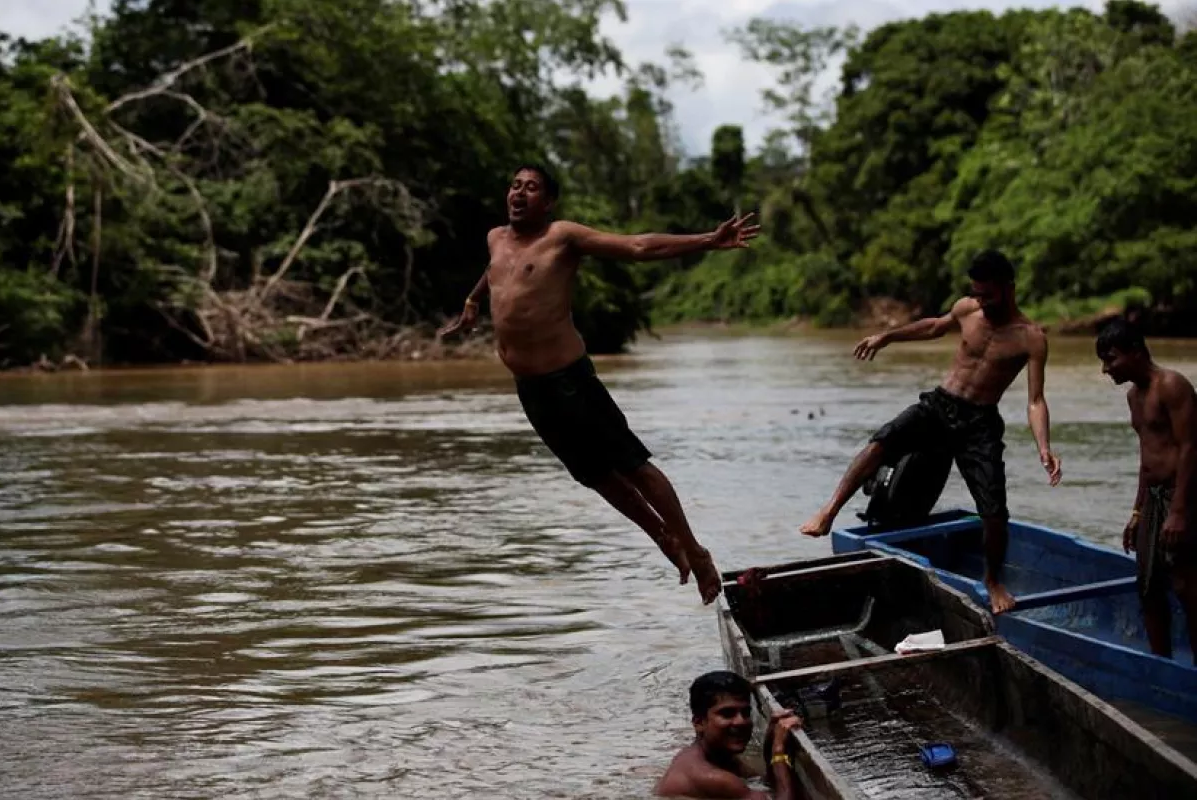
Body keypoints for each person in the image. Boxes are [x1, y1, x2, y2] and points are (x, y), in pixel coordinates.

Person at [438, 164, 760, 605]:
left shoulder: (563, 237)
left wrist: (707, 239)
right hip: (530, 388)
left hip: (571, 381)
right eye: (514, 185)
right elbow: (495, 268)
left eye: (531, 188)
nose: (519, 193)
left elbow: (639, 246)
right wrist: (474, 300)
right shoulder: (495, 238)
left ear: (548, 202)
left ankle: (696, 550)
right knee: (593, 476)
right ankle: (664, 539)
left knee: (633, 466)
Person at [797, 249, 1062, 614]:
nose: (981, 300)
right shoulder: (968, 309)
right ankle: (827, 513)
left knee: (995, 511)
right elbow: (934, 327)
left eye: (988, 294)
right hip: (941, 405)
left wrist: (1043, 447)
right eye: (977, 292)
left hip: (980, 423)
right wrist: (887, 337)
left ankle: (993, 581)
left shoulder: (1030, 338)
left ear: (1008, 288)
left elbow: (1035, 400)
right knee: (882, 441)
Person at [1097, 319, 1197, 662]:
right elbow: (1147, 458)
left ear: (1135, 352)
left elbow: (1190, 448)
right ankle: (1160, 667)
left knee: (1187, 585)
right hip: (1153, 499)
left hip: (1181, 495)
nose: (1106, 369)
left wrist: (1180, 511)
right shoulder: (1133, 397)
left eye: (1111, 359)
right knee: (1148, 584)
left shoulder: (1172, 386)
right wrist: (1137, 512)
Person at [655, 670, 801, 799]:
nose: (741, 721)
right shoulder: (712, 777)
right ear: (699, 723)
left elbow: (763, 783)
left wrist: (771, 737)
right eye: (727, 713)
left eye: (746, 713)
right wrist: (779, 752)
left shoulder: (718, 757)